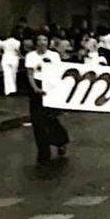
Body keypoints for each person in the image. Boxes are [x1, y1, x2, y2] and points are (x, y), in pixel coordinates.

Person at [24, 33, 69, 164]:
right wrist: (35, 89)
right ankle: (43, 152)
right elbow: (30, 74)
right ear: (35, 42)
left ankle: (61, 141)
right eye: (39, 40)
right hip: (37, 88)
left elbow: (58, 72)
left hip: (50, 87)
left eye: (45, 40)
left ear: (48, 42)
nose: (42, 42)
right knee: (37, 121)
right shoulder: (31, 56)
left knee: (51, 119)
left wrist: (55, 89)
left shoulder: (54, 56)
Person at [0, 31, 22, 96]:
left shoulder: (3, 42)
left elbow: (1, 50)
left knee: (6, 75)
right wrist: (21, 56)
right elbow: (17, 51)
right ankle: (13, 90)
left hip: (5, 58)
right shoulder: (17, 42)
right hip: (14, 58)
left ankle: (7, 91)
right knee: (13, 74)